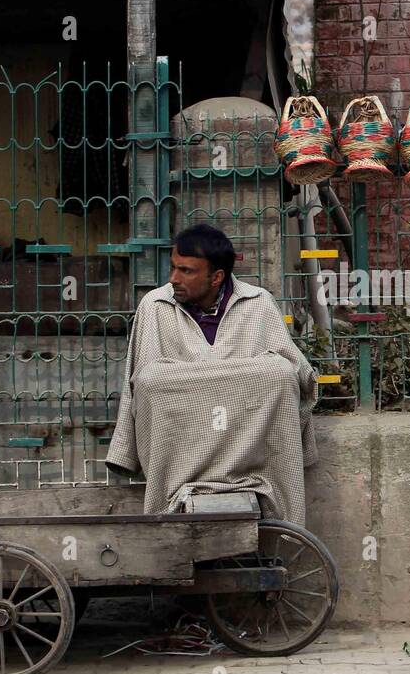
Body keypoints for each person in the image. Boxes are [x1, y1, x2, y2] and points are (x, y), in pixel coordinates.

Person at [106, 224, 316, 524]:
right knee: (151, 381)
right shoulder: (155, 306)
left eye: (187, 271)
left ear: (217, 277)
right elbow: (137, 387)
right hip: (182, 450)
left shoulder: (258, 303)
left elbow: (294, 374)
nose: (173, 279)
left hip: (250, 451)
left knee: (281, 374)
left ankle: (272, 512)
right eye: (173, 268)